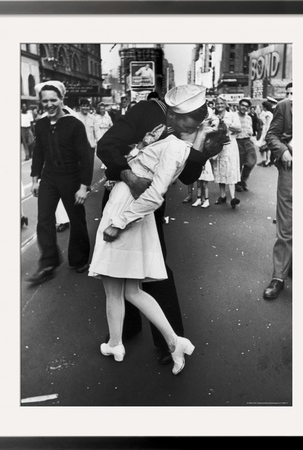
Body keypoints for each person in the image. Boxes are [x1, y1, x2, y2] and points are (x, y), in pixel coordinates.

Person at [97, 84, 222, 364]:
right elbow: (106, 145)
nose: (193, 125)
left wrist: (200, 144)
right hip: (123, 192)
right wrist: (129, 176)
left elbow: (189, 177)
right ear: (175, 113)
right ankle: (122, 333)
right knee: (117, 269)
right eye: (191, 119)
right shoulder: (144, 111)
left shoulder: (196, 128)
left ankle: (169, 342)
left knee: (154, 269)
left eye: (199, 119)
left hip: (148, 204)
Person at [27, 80, 92, 284]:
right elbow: (38, 153)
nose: (49, 104)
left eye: (53, 99)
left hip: (71, 177)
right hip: (49, 177)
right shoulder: (41, 124)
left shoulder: (74, 124)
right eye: (45, 101)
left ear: (62, 100)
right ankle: (48, 263)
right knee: (44, 220)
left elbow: (86, 156)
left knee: (77, 219)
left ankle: (79, 259)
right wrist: (35, 179)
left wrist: (83, 187)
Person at [263, 82, 293, 300]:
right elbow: (271, 135)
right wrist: (282, 151)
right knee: (286, 226)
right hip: (291, 170)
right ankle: (279, 276)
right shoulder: (285, 106)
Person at [211, 96, 242, 209]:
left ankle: (233, 197)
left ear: (226, 104)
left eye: (221, 103)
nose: (219, 105)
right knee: (220, 168)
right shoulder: (213, 116)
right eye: (217, 103)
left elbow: (239, 129)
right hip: (218, 145)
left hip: (230, 145)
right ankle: (222, 196)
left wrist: (227, 124)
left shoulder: (232, 115)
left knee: (231, 168)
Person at [235, 98, 257, 192]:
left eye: (246, 106)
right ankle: (238, 183)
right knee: (238, 164)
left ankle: (243, 180)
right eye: (242, 105)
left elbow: (251, 130)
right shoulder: (233, 116)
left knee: (251, 162)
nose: (244, 107)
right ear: (239, 106)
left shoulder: (249, 117)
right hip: (237, 141)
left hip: (247, 141)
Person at [256, 101, 274, 167]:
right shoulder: (269, 113)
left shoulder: (267, 114)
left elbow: (268, 124)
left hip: (266, 130)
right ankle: (267, 160)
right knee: (267, 146)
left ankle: (268, 160)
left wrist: (266, 133)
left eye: (263, 106)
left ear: (265, 107)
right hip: (266, 129)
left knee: (267, 146)